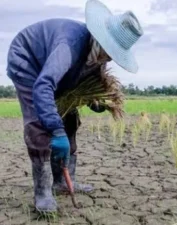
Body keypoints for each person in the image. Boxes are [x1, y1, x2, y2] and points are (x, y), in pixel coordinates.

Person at [6, 0, 143, 213]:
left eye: (112, 55)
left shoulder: (98, 55)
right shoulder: (69, 46)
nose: (108, 58)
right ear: (99, 39)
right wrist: (55, 130)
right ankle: (42, 192)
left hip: (52, 71)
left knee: (70, 118)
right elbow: (43, 86)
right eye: (108, 51)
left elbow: (78, 84)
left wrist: (95, 102)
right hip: (27, 60)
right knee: (39, 124)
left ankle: (62, 181)